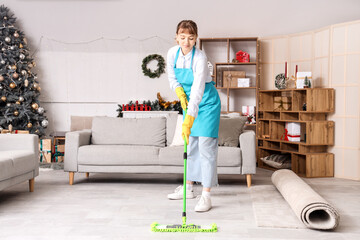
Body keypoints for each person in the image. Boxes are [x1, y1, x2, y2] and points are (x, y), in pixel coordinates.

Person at [166, 20, 221, 212]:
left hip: (207, 103)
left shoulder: (199, 57)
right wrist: (180, 93)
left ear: (196, 38)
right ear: (176, 37)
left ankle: (206, 195)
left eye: (190, 38)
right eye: (182, 37)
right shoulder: (172, 53)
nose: (186, 42)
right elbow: (172, 77)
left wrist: (189, 118)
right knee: (190, 147)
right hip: (189, 102)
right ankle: (188, 188)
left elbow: (198, 89)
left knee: (206, 148)